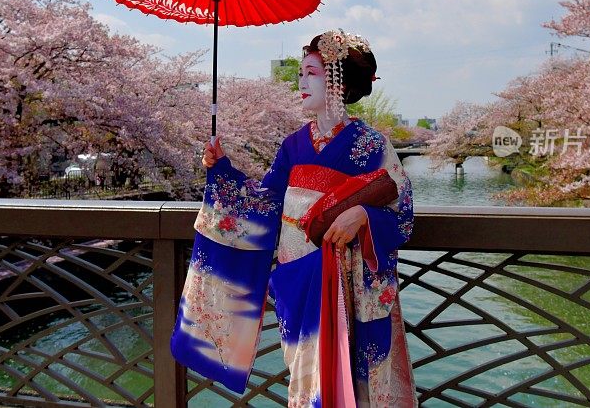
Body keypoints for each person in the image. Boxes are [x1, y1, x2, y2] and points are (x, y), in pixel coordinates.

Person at [171, 30, 417, 407]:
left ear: (336, 80)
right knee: (306, 384)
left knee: (352, 383)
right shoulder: (293, 145)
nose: (301, 82)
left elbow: (401, 215)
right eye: (301, 73)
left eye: (312, 73)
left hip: (349, 280)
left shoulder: (372, 145)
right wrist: (221, 169)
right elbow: (265, 203)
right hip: (297, 277)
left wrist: (361, 214)